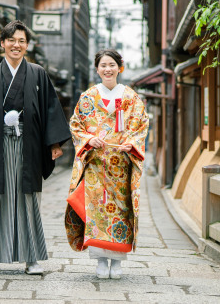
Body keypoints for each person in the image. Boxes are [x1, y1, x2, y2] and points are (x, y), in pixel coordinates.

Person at [0, 20, 70, 276]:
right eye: (11, 40)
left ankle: (32, 259)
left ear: (27, 46)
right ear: (2, 44)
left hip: (28, 146)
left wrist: (53, 144)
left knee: (28, 200)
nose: (16, 45)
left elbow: (50, 109)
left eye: (21, 41)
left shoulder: (38, 73)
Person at [65, 49, 149, 280]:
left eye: (112, 64)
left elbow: (141, 125)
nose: (108, 69)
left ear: (119, 67)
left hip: (121, 166)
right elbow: (76, 124)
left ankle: (117, 260)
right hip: (96, 165)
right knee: (97, 212)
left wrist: (131, 144)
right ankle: (101, 260)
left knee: (120, 212)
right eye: (103, 65)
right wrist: (88, 139)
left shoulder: (131, 97)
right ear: (97, 69)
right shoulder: (88, 97)